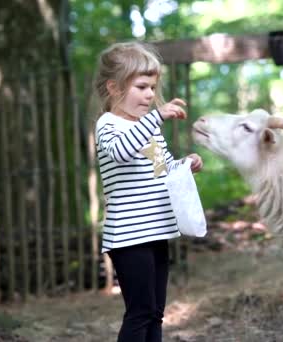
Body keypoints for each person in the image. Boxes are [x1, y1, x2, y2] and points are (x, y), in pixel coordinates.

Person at [93, 41, 203, 342]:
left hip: (156, 231)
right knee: (139, 312)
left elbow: (161, 168)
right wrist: (156, 117)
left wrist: (185, 164)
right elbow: (121, 152)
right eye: (141, 87)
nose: (151, 95)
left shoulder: (149, 128)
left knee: (155, 312)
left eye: (153, 87)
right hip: (129, 238)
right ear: (114, 88)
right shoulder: (108, 125)